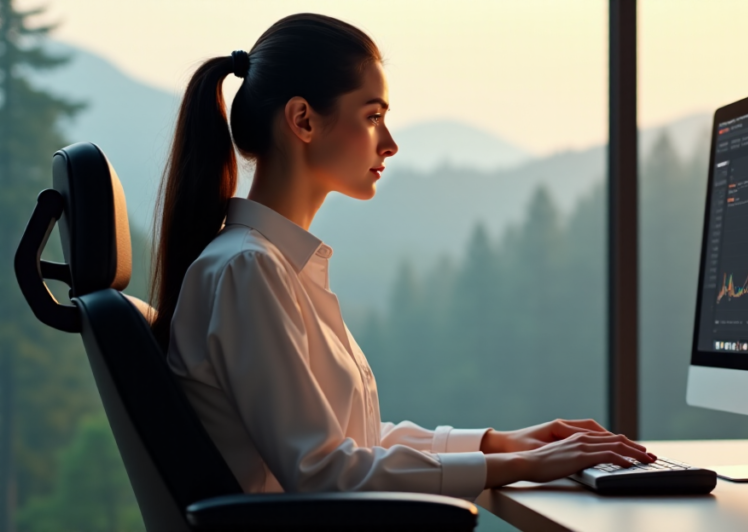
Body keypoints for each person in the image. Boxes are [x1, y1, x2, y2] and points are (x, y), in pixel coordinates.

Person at [153, 12, 654, 500]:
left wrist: (498, 443)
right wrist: (520, 466)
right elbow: (323, 470)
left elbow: (351, 440)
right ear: (303, 120)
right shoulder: (248, 269)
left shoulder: (267, 265)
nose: (389, 144)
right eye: (372, 117)